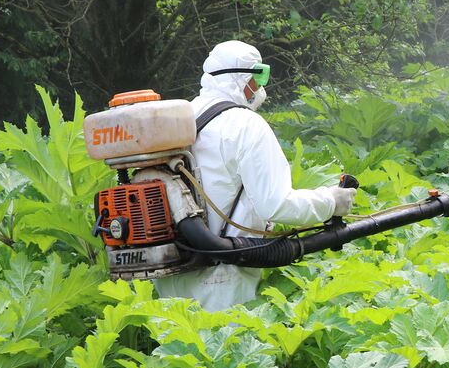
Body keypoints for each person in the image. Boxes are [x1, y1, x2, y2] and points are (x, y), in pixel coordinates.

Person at [151, 39, 355, 311]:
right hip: (223, 276)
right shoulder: (245, 124)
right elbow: (276, 205)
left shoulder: (179, 118)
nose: (260, 87)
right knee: (227, 339)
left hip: (171, 275)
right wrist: (331, 201)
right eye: (259, 77)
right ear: (242, 78)